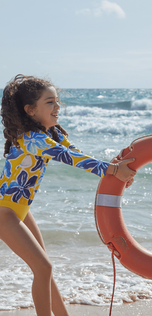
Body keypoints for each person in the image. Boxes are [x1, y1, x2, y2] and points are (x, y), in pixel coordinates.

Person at [0, 74, 136, 316]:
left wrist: (116, 173)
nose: (57, 106)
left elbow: (77, 152)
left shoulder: (50, 134)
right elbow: (71, 159)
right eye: (50, 102)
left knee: (44, 271)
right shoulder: (34, 139)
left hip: (20, 209)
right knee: (43, 268)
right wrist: (114, 170)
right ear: (31, 110)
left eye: (57, 101)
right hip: (5, 213)